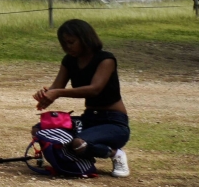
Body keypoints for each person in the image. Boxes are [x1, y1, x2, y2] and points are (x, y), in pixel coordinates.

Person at [35, 17, 130, 178]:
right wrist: (46, 95)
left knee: (79, 143)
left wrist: (57, 93)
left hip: (113, 122)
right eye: (63, 43)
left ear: (85, 39)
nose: (67, 47)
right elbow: (56, 88)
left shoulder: (105, 59)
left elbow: (94, 90)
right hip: (89, 119)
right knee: (41, 129)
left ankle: (115, 153)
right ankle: (72, 162)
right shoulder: (69, 61)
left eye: (71, 42)